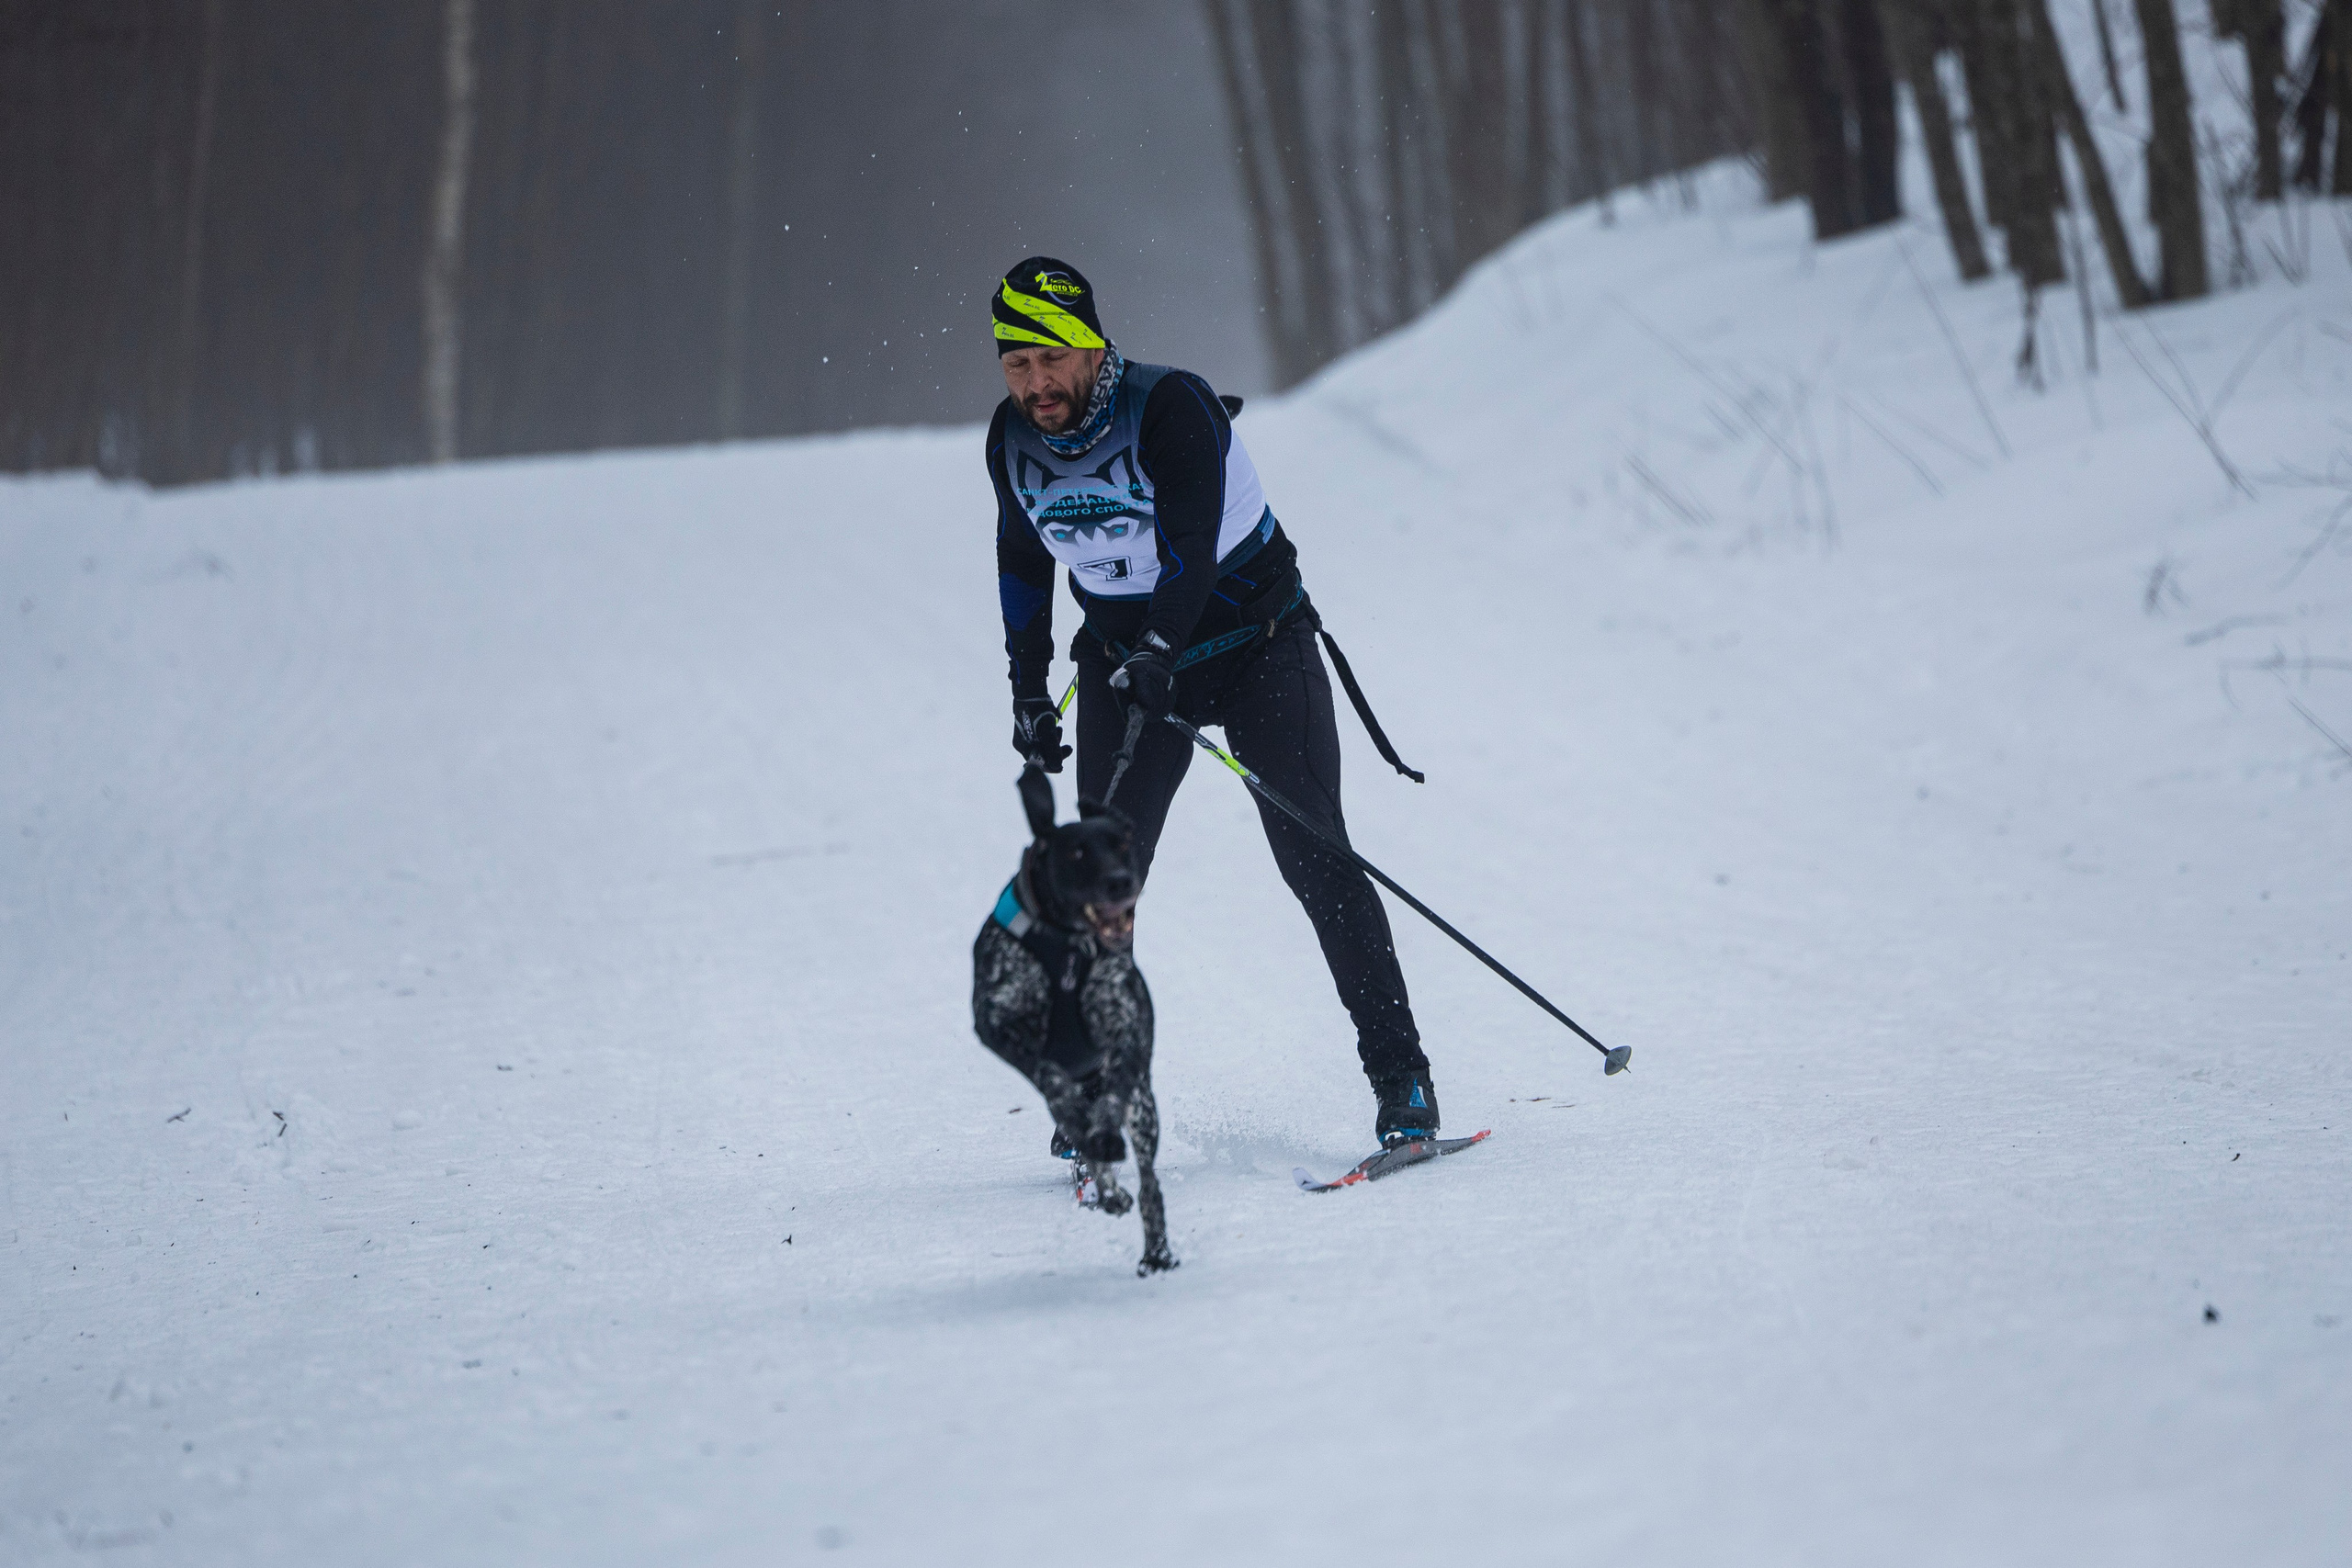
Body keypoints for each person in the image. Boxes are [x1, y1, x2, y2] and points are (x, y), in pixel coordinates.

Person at [985, 255, 1439, 1148]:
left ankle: (1403, 1082)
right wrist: (1029, 692)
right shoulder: (1011, 439)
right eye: (1015, 364)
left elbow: (1189, 544)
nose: (1036, 384)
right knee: (1095, 885)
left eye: (1051, 360)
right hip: (1128, 665)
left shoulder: (1171, 406)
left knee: (1318, 862)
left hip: (1256, 647)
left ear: (1089, 345)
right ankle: (1095, 1092)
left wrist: (1165, 647)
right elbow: (1021, 562)